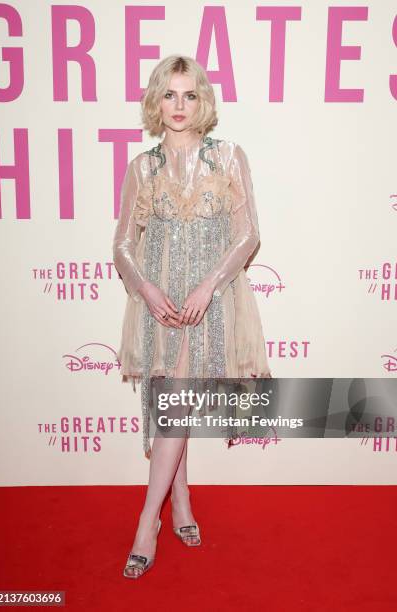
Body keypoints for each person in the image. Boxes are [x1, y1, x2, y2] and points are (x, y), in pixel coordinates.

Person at [112, 55, 272, 578]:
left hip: (211, 300)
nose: (179, 106)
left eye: (189, 95)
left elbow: (248, 234)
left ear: (203, 102)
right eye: (169, 95)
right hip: (159, 302)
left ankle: (145, 521)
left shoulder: (227, 157)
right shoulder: (143, 167)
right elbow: (122, 246)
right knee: (169, 406)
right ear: (156, 102)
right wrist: (145, 287)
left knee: (174, 403)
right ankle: (179, 503)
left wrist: (210, 285)